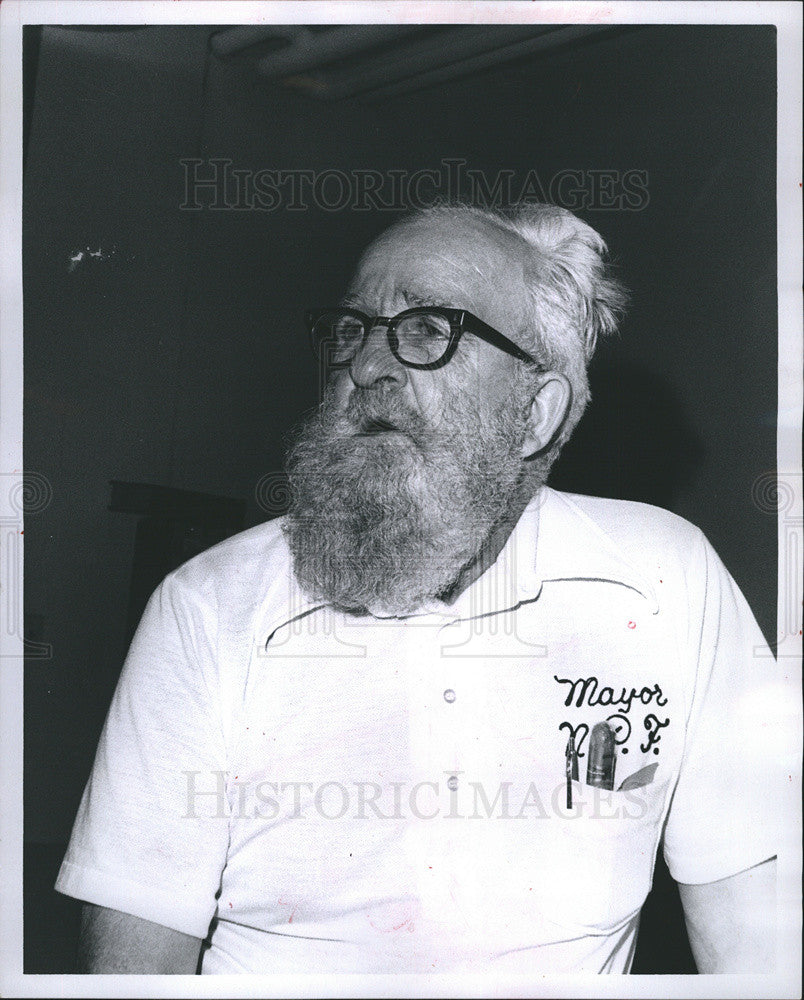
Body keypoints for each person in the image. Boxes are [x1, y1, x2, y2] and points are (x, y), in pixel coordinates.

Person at [56, 203, 779, 975]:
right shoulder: (209, 605)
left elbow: (756, 931)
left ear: (535, 413)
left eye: (429, 330)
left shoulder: (666, 577)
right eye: (352, 329)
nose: (366, 365)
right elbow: (136, 964)